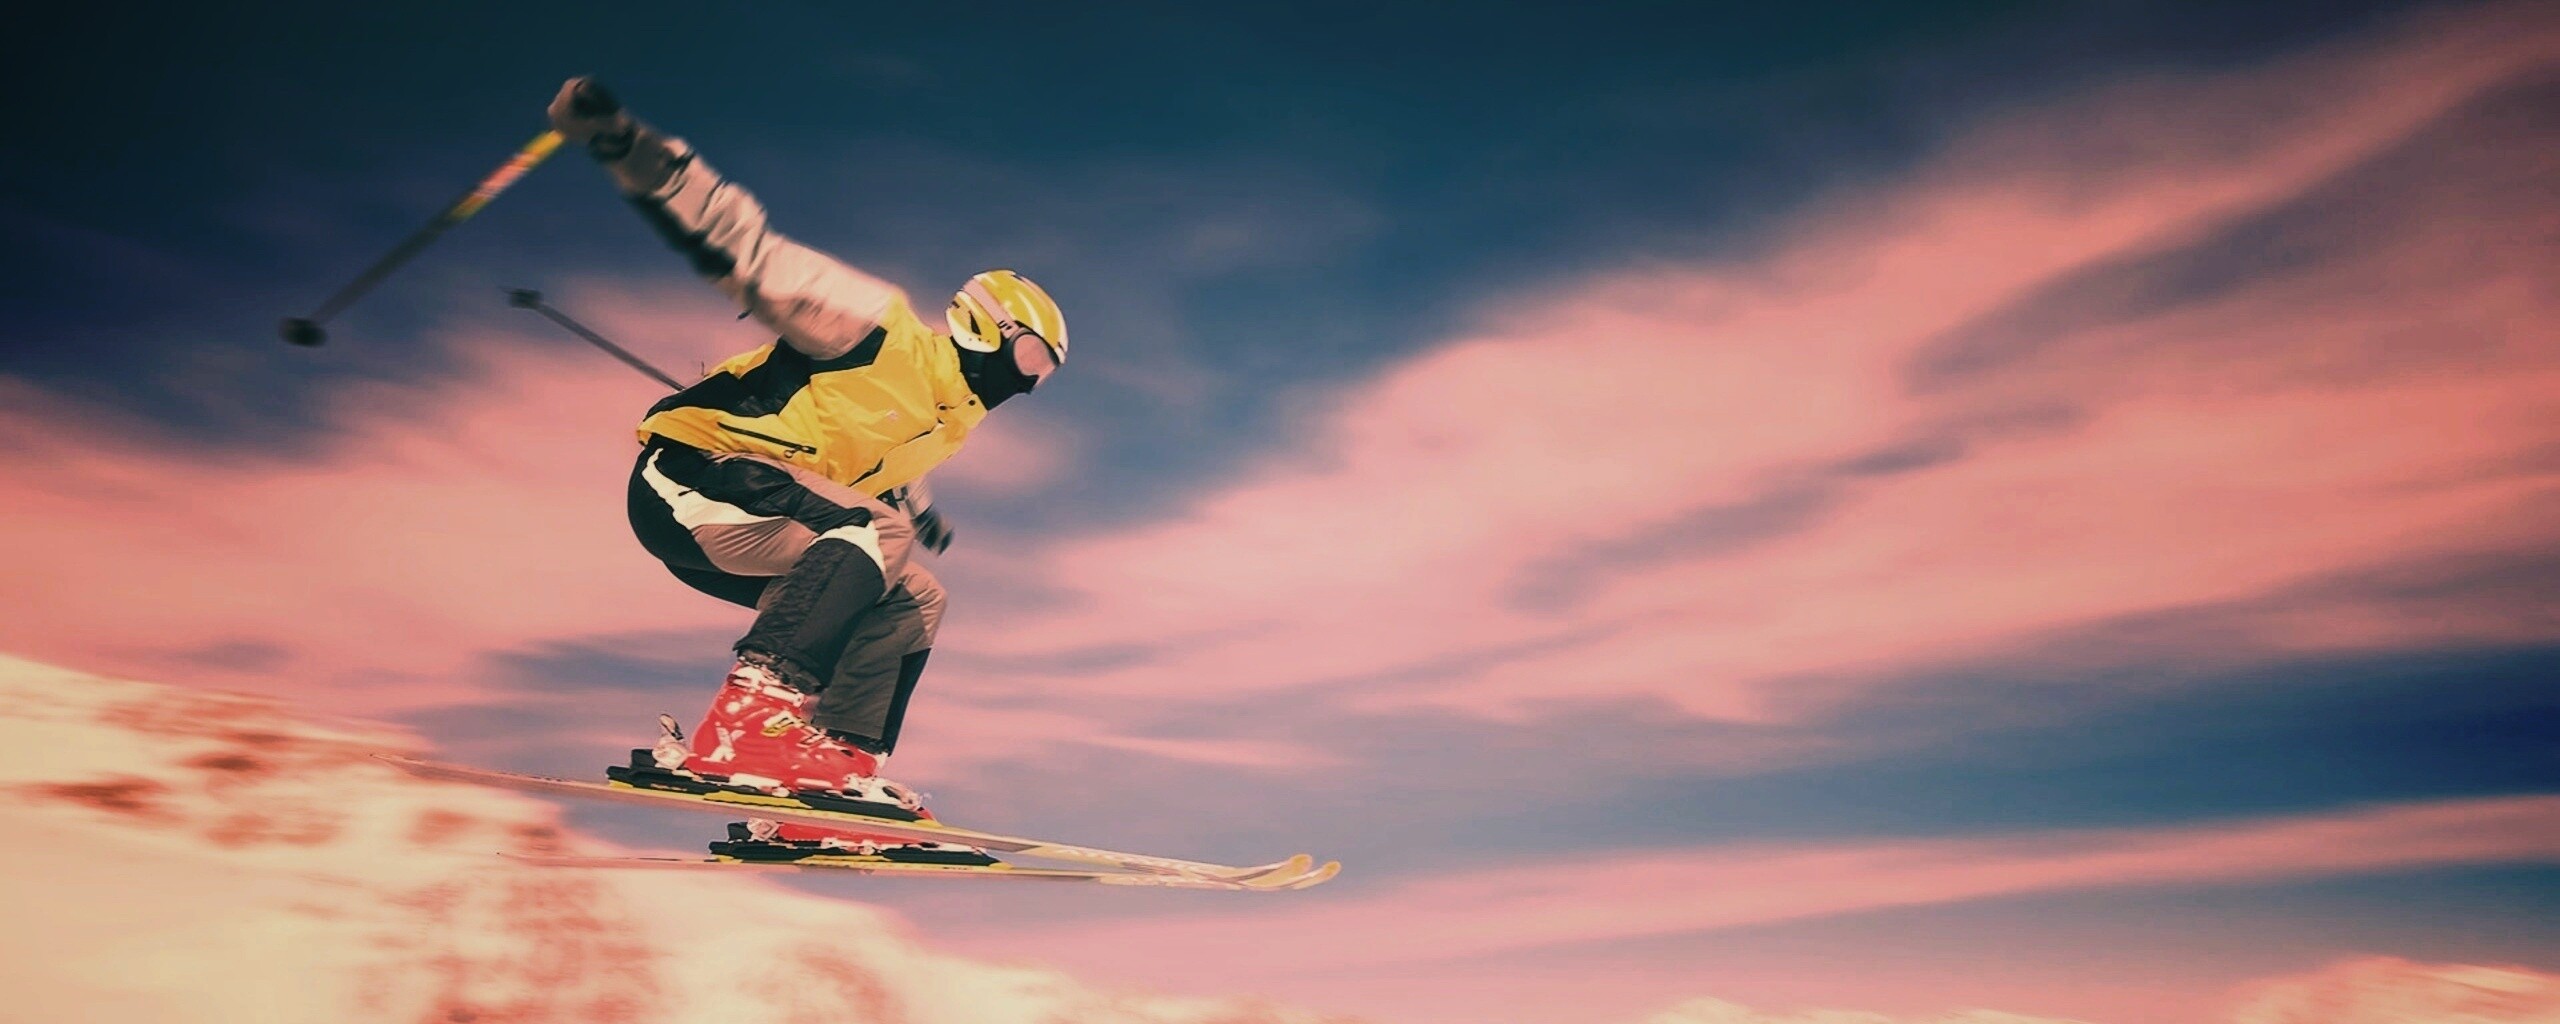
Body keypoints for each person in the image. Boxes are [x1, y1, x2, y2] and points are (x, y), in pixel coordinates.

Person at [545, 78, 1068, 828]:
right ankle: (747, 721)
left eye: (1044, 375)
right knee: (875, 531)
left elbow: (880, 464)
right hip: (690, 477)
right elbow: (745, 250)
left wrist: (918, 507)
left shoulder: (947, 424)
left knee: (916, 597)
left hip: (762, 525)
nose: (1030, 382)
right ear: (986, 329)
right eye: (1031, 359)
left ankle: (835, 771)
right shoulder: (875, 329)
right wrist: (629, 147)